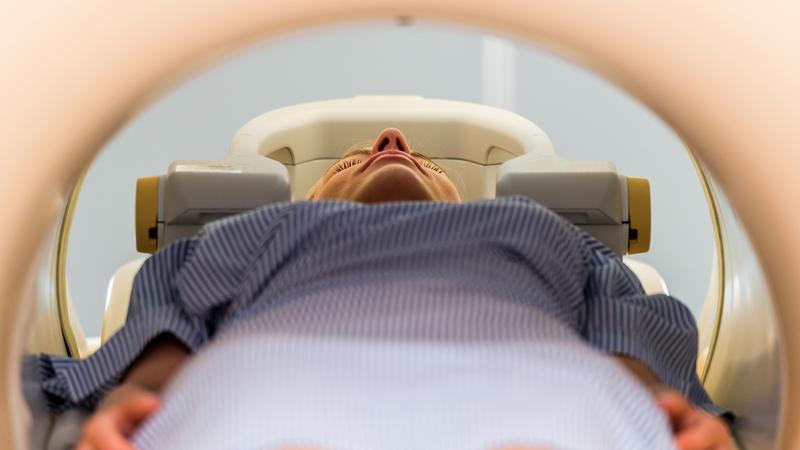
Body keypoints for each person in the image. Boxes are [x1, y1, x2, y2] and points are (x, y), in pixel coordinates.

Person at [38, 128, 733, 450]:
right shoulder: (246, 235)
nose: (392, 138)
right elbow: (166, 329)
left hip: (537, 384)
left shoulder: (537, 230)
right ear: (313, 197)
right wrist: (133, 403)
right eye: (353, 158)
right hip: (268, 388)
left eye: (422, 159)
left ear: (465, 202)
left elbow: (629, 335)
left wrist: (659, 414)